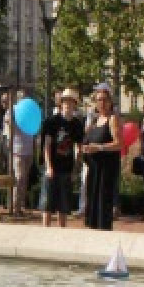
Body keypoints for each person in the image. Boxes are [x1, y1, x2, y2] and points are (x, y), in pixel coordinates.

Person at [81, 83, 121, 231]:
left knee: (103, 206)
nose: (101, 103)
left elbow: (118, 143)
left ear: (110, 101)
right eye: (98, 100)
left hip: (106, 171)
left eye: (104, 100)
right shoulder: (94, 120)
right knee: (92, 204)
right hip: (93, 169)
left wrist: (99, 147)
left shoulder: (113, 119)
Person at [39, 89, 81, 227]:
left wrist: (75, 169)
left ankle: (62, 232)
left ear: (75, 105)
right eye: (65, 101)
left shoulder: (76, 124)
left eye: (71, 102)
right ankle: (45, 230)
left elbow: (78, 148)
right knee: (47, 203)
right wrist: (49, 166)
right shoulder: (52, 121)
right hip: (52, 166)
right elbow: (47, 145)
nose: (68, 105)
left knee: (64, 205)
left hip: (66, 167)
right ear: (61, 104)